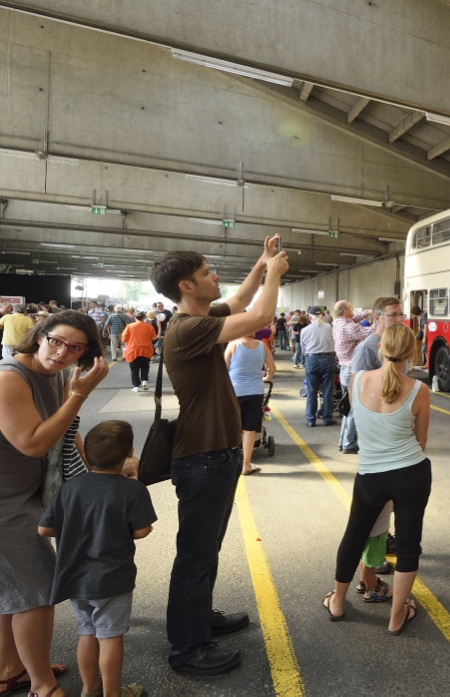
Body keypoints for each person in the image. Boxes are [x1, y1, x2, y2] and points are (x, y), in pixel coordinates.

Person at [149, 237, 287, 675]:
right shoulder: (189, 329)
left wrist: (262, 263)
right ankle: (187, 649)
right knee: (195, 553)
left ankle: (199, 618)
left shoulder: (201, 317)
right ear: (187, 286)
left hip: (215, 455)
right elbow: (261, 315)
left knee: (205, 549)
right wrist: (276, 275)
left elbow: (242, 299)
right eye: (208, 272)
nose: (216, 276)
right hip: (203, 458)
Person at [0, 311, 108, 697]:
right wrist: (79, 396)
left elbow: (65, 431)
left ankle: (6, 673)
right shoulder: (5, 379)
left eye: (75, 348)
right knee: (36, 590)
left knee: (8, 589)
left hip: (22, 493)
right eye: (56, 341)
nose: (62, 353)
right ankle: (42, 686)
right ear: (39, 335)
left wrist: (92, 477)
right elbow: (33, 442)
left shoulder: (57, 374)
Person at [324, 323, 432, 636]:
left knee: (354, 536)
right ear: (411, 352)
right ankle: (397, 618)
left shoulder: (357, 380)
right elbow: (421, 439)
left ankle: (338, 603)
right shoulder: (418, 390)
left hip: (370, 476)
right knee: (409, 546)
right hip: (411, 473)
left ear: (380, 347)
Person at [38, 420, 155, 697]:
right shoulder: (133, 490)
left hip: (75, 578)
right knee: (110, 636)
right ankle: (113, 694)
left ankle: (90, 688)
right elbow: (142, 530)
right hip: (112, 579)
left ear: (86, 455)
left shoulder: (69, 488)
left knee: (87, 631)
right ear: (130, 452)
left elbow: (44, 528)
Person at [224, 331, 276, 475]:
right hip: (255, 391)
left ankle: (229, 461)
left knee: (232, 426)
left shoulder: (233, 344)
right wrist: (266, 378)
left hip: (235, 390)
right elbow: (273, 368)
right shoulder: (262, 346)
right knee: (249, 428)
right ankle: (246, 465)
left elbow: (222, 368)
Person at [333, 301, 374, 453]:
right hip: (351, 370)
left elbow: (355, 319)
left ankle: (343, 441)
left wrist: (368, 312)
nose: (353, 310)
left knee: (348, 407)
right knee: (355, 409)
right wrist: (380, 319)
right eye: (351, 308)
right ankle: (349, 444)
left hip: (344, 369)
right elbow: (369, 332)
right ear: (345, 312)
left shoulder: (338, 322)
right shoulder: (348, 327)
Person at [300, 306, 337, 427]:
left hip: (312, 359)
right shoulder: (329, 327)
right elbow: (335, 342)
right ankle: (327, 418)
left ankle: (311, 419)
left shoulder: (305, 330)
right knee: (327, 390)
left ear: (309, 317)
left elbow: (303, 348)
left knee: (311, 390)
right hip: (328, 358)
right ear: (322, 315)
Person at [122, 311, 156, 392]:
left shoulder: (129, 326)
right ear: (144, 318)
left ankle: (136, 386)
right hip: (146, 349)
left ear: (135, 318)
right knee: (145, 366)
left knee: (134, 369)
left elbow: (124, 339)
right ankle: (144, 381)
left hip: (133, 350)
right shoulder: (149, 326)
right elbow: (154, 338)